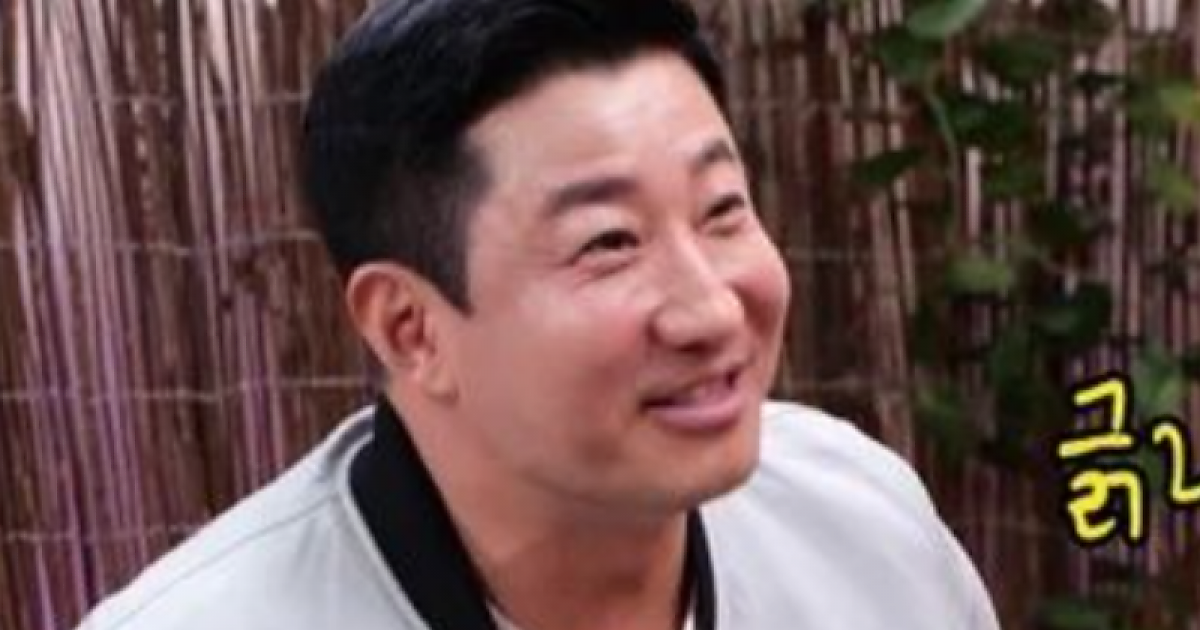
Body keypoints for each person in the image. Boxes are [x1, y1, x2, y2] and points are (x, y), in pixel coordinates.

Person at [75, 0, 1000, 628]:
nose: (713, 309)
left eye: (722, 211)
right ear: (410, 328)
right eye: (609, 242)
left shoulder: (863, 525)